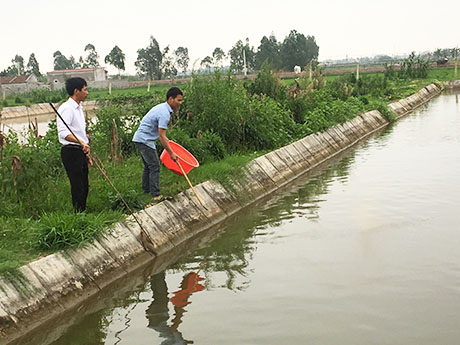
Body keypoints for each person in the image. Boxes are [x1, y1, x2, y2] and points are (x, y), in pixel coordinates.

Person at [132, 87, 183, 202]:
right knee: (155, 166)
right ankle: (155, 195)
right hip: (145, 140)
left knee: (148, 166)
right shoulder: (164, 113)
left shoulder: (162, 108)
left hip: (140, 138)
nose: (180, 103)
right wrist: (171, 153)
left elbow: (162, 136)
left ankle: (146, 190)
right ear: (171, 99)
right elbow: (162, 136)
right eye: (178, 100)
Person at [57, 77, 92, 212]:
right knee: (77, 185)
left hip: (80, 150)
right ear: (76, 91)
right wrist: (80, 142)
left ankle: (83, 212)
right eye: (84, 89)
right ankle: (79, 215)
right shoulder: (67, 109)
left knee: (84, 185)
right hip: (71, 151)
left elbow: (80, 133)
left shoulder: (78, 108)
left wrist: (85, 148)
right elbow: (63, 133)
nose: (87, 92)